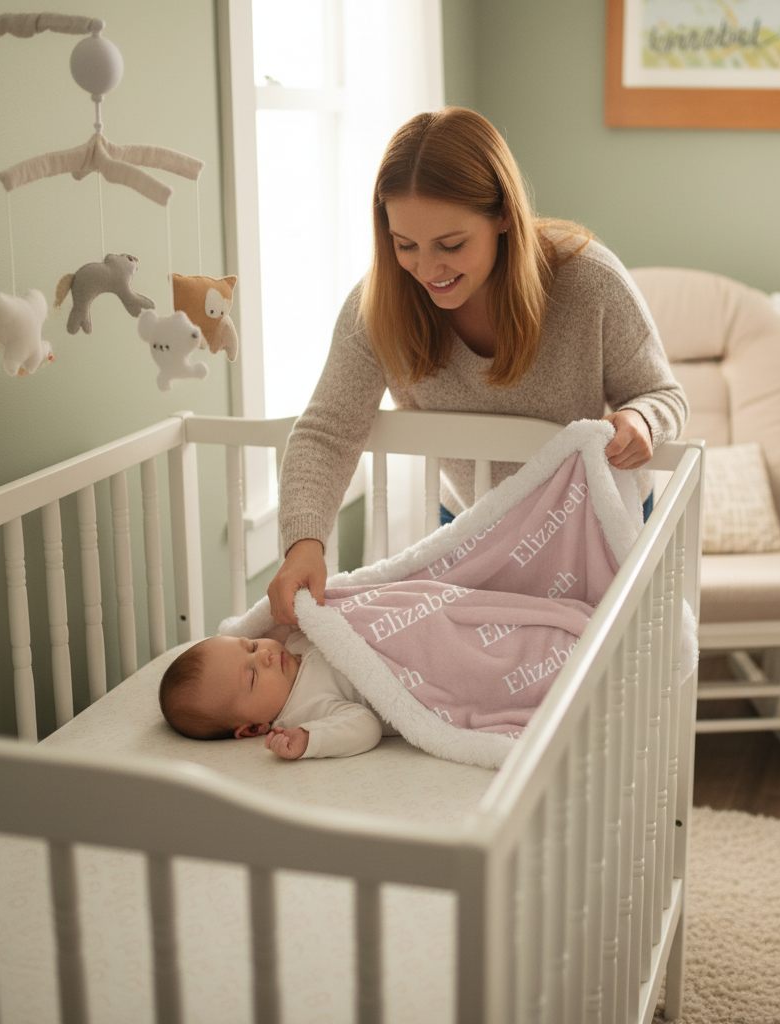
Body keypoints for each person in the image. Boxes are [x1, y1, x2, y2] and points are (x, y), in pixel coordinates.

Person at [268, 106, 688, 625]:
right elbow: (327, 429)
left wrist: (641, 422)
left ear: (503, 216)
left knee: (600, 682)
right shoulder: (378, 304)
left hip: (597, 525)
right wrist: (304, 543)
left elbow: (664, 395)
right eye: (405, 246)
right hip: (473, 525)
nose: (427, 268)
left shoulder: (589, 282)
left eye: (451, 245)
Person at [158, 626, 390, 760]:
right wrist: (311, 739)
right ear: (253, 728)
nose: (264, 655)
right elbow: (367, 727)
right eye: (252, 676)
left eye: (252, 646)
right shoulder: (306, 707)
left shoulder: (294, 641)